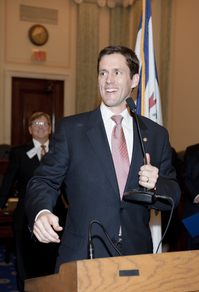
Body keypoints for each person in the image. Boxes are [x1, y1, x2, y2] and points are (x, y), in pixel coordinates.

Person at [25, 45, 181, 274]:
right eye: (102, 73)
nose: (108, 80)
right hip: (82, 255)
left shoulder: (155, 135)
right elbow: (43, 181)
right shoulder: (72, 129)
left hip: (136, 257)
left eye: (117, 72)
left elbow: (174, 193)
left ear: (134, 80)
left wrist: (156, 185)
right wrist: (41, 212)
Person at [0, 112, 66, 292]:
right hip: (24, 218)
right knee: (25, 264)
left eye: (44, 123)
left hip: (57, 217)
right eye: (35, 123)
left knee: (53, 262)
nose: (40, 127)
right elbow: (8, 182)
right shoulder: (19, 152)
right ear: (29, 129)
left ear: (50, 128)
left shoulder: (60, 149)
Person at [182, 143, 199, 250]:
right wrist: (197, 196)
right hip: (195, 210)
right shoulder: (192, 151)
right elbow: (184, 178)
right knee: (193, 250)